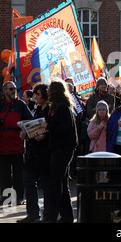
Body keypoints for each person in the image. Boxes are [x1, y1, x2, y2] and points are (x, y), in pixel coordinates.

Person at [0, 81, 33, 206]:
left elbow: (29, 120)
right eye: (10, 89)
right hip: (2, 145)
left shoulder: (20, 105)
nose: (13, 90)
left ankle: (19, 197)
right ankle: (6, 198)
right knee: (4, 174)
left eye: (14, 88)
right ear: (5, 91)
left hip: (16, 145)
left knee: (18, 174)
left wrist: (22, 128)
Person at [40, 80, 78, 223]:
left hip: (62, 148)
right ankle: (67, 216)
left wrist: (48, 126)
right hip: (63, 147)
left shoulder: (61, 108)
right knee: (62, 184)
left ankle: (51, 216)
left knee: (55, 184)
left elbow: (62, 129)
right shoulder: (62, 107)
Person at [17, 83, 51, 223]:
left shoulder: (50, 110)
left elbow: (53, 130)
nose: (35, 97)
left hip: (44, 152)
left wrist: (44, 135)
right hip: (32, 152)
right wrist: (25, 132)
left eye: (37, 94)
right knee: (28, 182)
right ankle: (32, 213)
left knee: (46, 185)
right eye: (34, 94)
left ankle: (48, 214)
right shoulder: (36, 109)